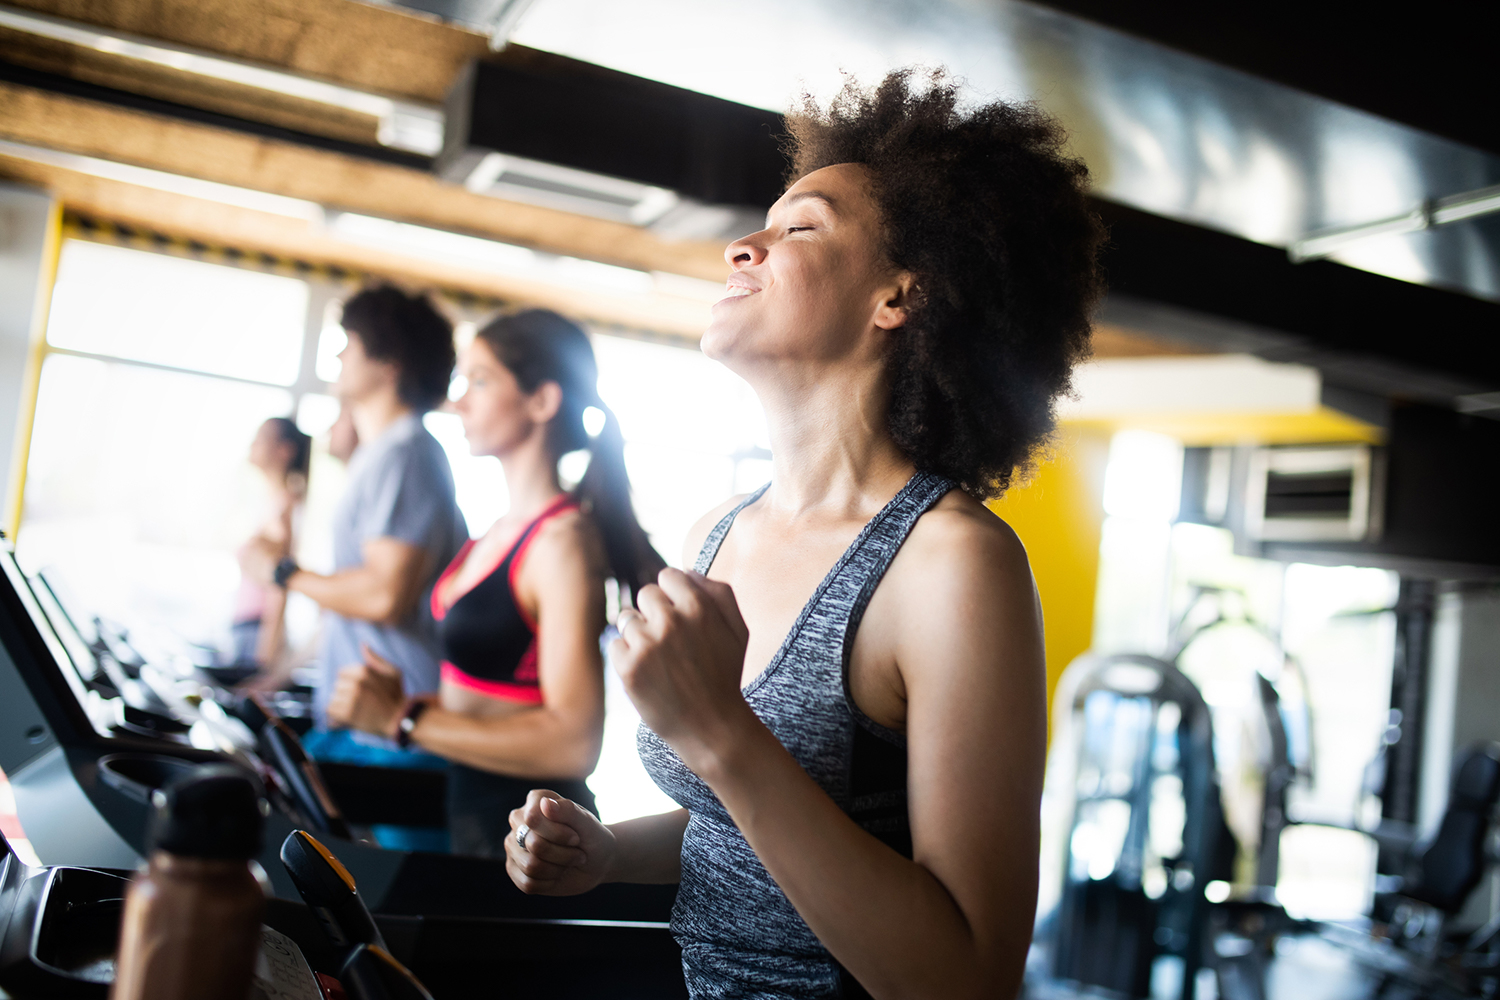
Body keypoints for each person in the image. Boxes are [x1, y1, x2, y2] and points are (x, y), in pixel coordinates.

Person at [502, 70, 1105, 1000]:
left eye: (801, 228)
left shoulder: (952, 565)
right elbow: (753, 830)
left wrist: (721, 732)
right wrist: (610, 851)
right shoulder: (715, 533)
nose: (742, 246)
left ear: (898, 296)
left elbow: (969, 976)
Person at [325, 309, 664, 857]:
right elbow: (493, 688)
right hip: (470, 810)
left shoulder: (562, 541)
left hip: (529, 837)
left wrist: (402, 720)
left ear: (541, 401)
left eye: (479, 381)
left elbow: (574, 744)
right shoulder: (498, 532)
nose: (458, 401)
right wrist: (404, 702)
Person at [246, 284, 467, 778]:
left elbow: (383, 595)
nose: (339, 356)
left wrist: (281, 572)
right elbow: (354, 600)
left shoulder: (406, 454)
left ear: (389, 364)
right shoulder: (382, 455)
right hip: (364, 725)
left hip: (395, 733)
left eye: (351, 344)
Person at [232, 417, 310, 673]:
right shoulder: (270, 502)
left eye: (261, 438)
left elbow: (281, 584)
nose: (252, 444)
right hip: (247, 626)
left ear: (284, 450)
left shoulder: (283, 508)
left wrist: (265, 658)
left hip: (257, 633)